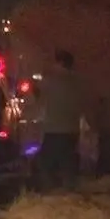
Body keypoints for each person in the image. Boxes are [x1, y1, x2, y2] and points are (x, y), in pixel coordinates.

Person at [36, 49, 83, 190]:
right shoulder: (77, 80)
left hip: (55, 128)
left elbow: (37, 94)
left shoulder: (52, 80)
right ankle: (69, 189)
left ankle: (51, 190)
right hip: (72, 128)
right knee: (68, 161)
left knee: (46, 162)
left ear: (60, 62)